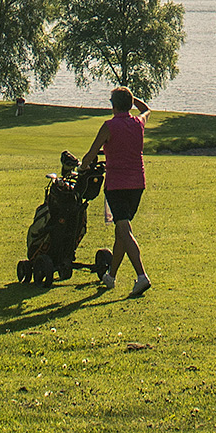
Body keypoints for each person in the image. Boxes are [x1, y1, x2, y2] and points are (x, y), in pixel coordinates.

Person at [91, 87, 152, 298]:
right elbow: (146, 109)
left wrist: (83, 167)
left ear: (112, 104)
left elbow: (92, 152)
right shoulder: (138, 123)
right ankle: (111, 276)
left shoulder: (109, 126)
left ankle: (142, 276)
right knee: (121, 229)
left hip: (117, 185)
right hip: (137, 185)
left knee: (124, 230)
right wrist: (133, 100)